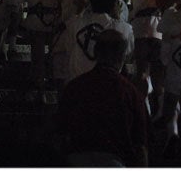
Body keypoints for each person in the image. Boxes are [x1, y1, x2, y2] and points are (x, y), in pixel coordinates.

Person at [58, 29, 148, 167]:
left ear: (95, 52)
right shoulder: (131, 93)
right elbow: (140, 143)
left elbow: (60, 131)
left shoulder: (74, 87)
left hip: (76, 159)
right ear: (122, 56)